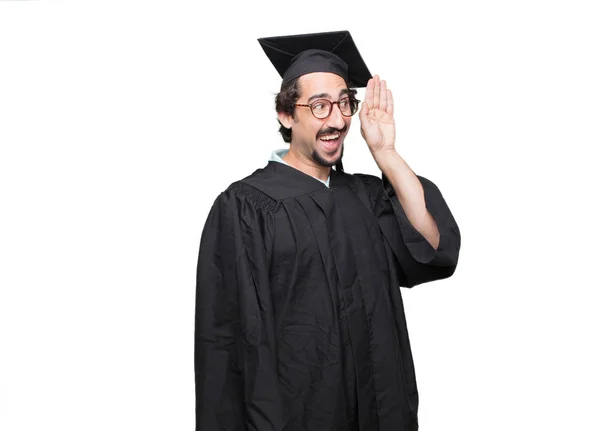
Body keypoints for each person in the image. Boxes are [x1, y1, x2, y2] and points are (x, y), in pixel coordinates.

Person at [195, 30, 461, 431]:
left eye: (344, 103)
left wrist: (386, 154)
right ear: (287, 115)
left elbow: (432, 250)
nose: (337, 119)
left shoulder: (367, 196)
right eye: (319, 106)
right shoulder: (245, 208)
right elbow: (227, 344)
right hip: (300, 416)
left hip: (381, 413)